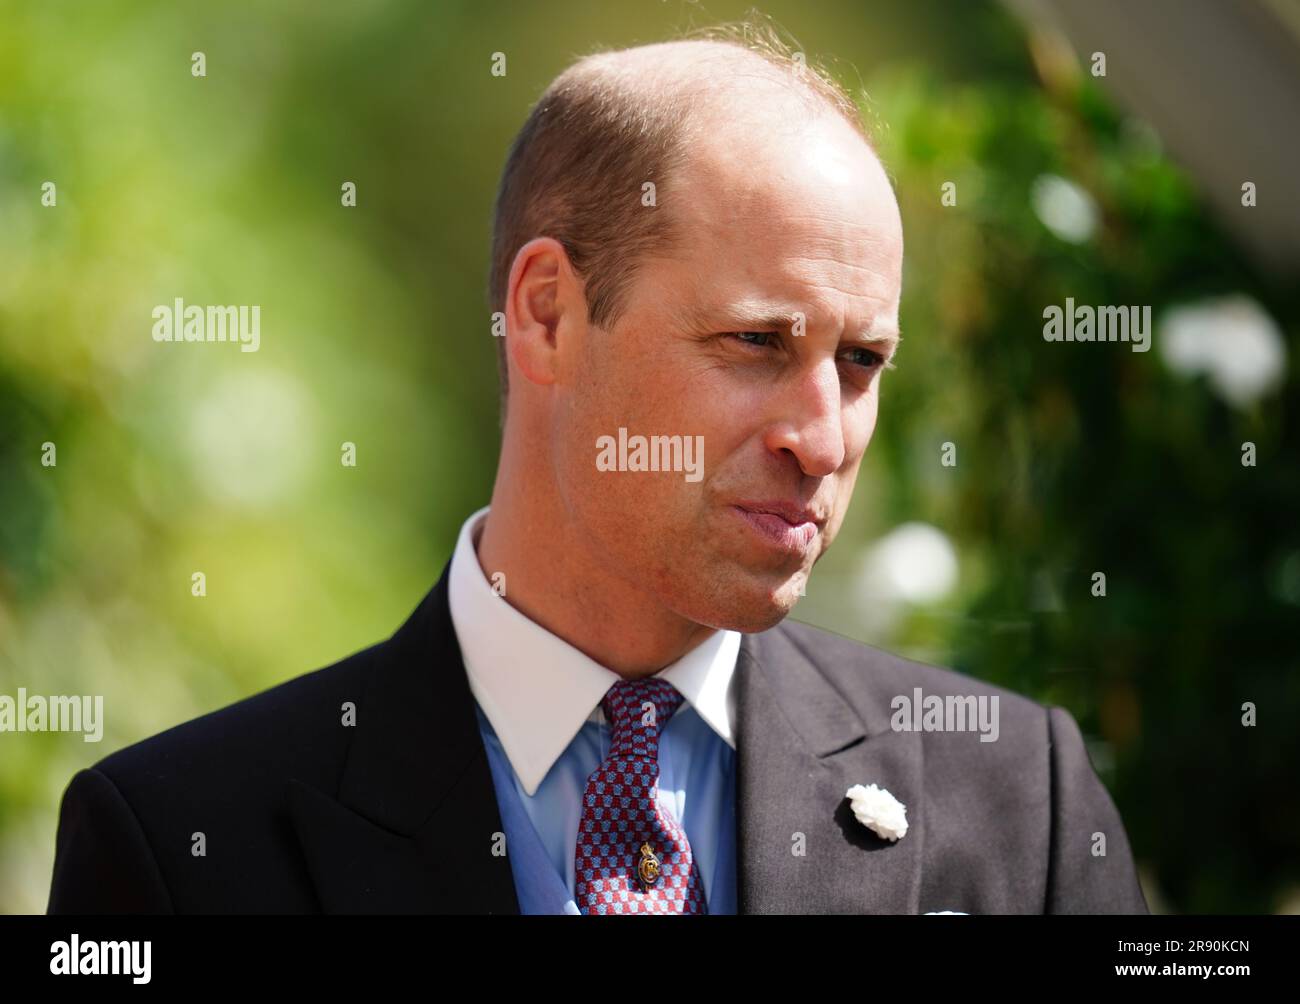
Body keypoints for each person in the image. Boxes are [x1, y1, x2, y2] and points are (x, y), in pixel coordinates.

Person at [47, 31, 1148, 915]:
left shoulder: (1014, 802)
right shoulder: (182, 845)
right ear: (547, 315)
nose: (820, 437)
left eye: (860, 360)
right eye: (755, 342)